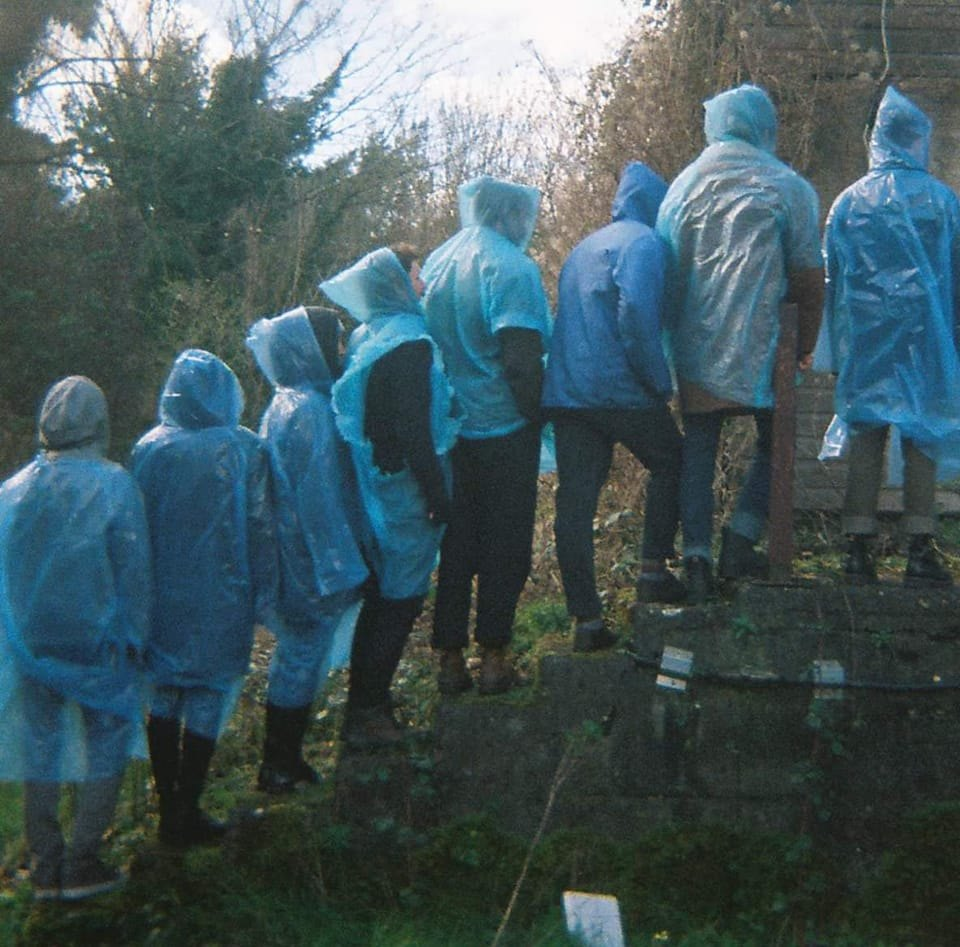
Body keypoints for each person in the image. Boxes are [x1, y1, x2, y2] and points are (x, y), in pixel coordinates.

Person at [656, 84, 824, 601]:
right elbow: (807, 278)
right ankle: (743, 538)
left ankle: (698, 559)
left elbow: (664, 272)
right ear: (764, 124)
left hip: (696, 343)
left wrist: (667, 348)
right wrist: (803, 346)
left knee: (698, 452)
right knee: (775, 445)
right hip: (764, 344)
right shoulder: (788, 187)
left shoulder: (681, 188)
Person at [0, 376, 150, 900]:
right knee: (108, 742)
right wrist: (138, 634)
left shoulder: (14, 490)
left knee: (41, 747)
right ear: (99, 422)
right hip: (99, 641)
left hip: (33, 643)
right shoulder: (114, 485)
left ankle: (45, 866)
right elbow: (133, 571)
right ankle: (83, 862)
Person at [131, 350, 276, 839]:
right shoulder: (242, 449)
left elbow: (135, 527)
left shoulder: (149, 449)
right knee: (209, 693)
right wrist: (266, 588)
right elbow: (260, 524)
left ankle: (169, 805)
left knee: (166, 692)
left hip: (163, 591)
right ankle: (185, 808)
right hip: (222, 590)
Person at [818, 85, 960, 586]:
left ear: (876, 138)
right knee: (923, 433)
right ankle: (920, 548)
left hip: (866, 338)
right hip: (927, 339)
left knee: (866, 435)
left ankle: (856, 550)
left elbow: (832, 280)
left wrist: (833, 349)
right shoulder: (944, 203)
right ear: (920, 139)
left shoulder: (848, 204)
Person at [321, 247, 460, 745]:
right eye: (417, 273)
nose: (423, 282)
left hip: (372, 490)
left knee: (381, 598)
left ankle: (364, 705)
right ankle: (369, 711)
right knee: (400, 601)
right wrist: (437, 493)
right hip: (403, 492)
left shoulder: (366, 336)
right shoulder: (410, 342)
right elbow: (414, 430)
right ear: (397, 281)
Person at [543, 162, 684, 646]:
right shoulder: (644, 244)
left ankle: (586, 622)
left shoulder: (585, 246)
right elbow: (637, 316)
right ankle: (651, 572)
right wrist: (659, 382)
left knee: (576, 504)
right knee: (672, 460)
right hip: (619, 388)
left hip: (568, 392)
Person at [421, 175, 551, 693]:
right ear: (508, 214)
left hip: (452, 429)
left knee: (456, 546)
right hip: (502, 426)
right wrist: (539, 417)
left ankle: (449, 659)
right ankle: (494, 656)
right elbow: (521, 361)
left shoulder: (437, 263)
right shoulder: (511, 267)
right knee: (506, 544)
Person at [247, 307, 369, 781]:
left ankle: (283, 759)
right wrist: (341, 564)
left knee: (298, 653)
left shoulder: (286, 403)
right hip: (311, 558)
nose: (340, 351)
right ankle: (278, 764)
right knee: (301, 655)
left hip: (294, 554)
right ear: (308, 349)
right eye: (333, 342)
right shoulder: (309, 412)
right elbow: (320, 499)